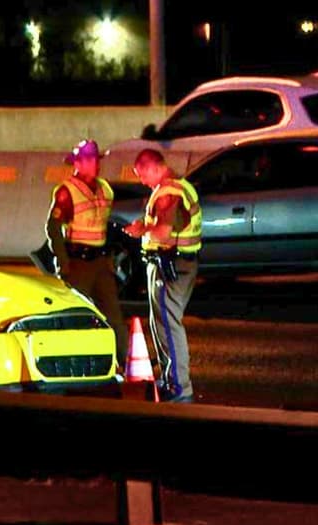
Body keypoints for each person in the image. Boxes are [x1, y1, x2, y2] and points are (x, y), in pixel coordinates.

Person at [122, 149, 202, 403]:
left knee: (168, 326)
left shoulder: (168, 192)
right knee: (164, 323)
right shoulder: (182, 186)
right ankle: (172, 380)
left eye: (141, 175)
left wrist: (140, 229)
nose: (142, 181)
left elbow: (164, 232)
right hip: (181, 263)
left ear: (152, 167)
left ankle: (179, 387)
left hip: (170, 265)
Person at [45, 139, 128, 367]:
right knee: (73, 315)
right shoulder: (66, 192)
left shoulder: (105, 189)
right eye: (89, 160)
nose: (95, 164)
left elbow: (106, 226)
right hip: (78, 263)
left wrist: (110, 258)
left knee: (113, 317)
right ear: (78, 163)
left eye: (96, 159)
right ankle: (66, 363)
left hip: (101, 262)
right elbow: (53, 227)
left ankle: (123, 363)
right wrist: (63, 261)